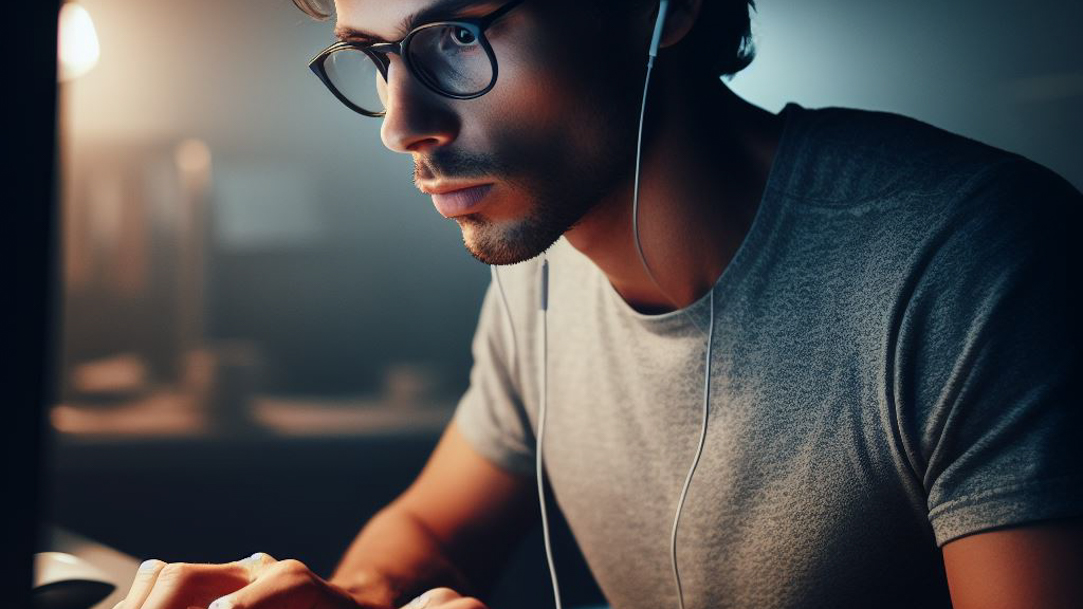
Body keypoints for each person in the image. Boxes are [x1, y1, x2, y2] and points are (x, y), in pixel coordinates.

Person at [114, 0, 1083, 608]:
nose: (404, 126)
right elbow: (435, 533)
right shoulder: (541, 256)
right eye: (376, 58)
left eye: (455, 37)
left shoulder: (971, 256)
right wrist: (332, 602)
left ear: (662, 10)